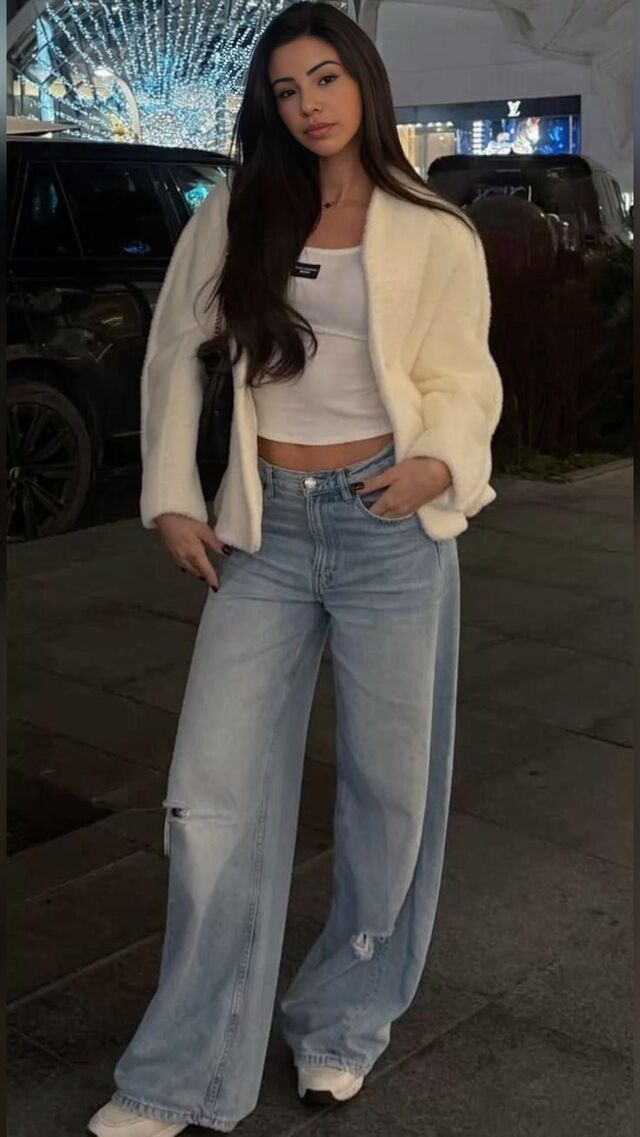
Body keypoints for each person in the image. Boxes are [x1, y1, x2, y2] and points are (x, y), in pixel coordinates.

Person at [88, 3, 502, 1134]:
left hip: (386, 530)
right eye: (286, 88)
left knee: (388, 797)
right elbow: (174, 354)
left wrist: (439, 463)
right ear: (268, 106)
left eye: (326, 77)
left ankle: (342, 1021)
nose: (310, 103)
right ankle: (181, 1070)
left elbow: (464, 378)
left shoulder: (434, 228)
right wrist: (172, 495)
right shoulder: (237, 212)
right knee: (210, 799)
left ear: (362, 82)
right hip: (264, 534)